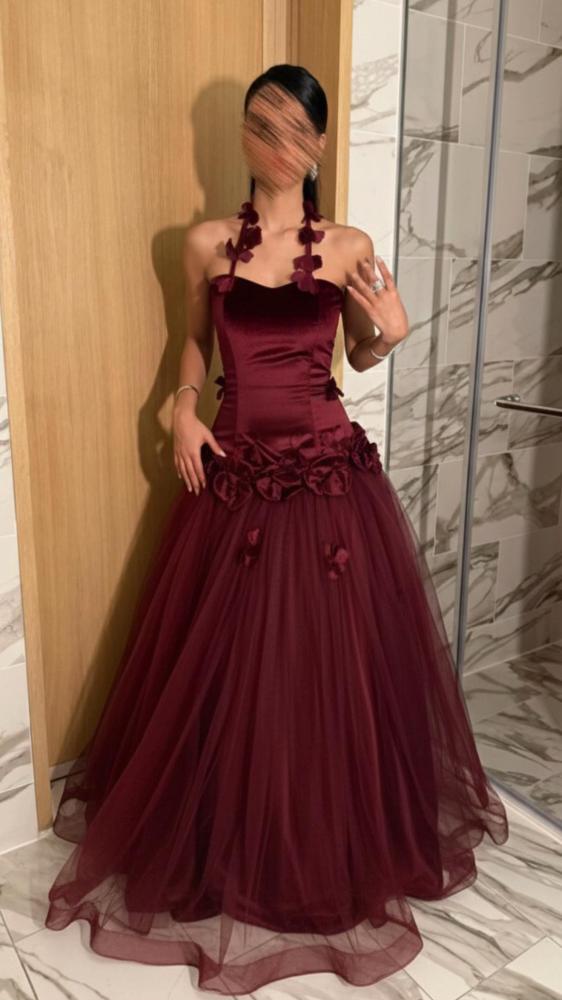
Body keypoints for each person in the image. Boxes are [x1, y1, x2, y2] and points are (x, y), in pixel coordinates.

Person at [45, 64, 509, 995]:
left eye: (295, 127)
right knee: (226, 670)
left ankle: (320, 842)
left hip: (329, 475)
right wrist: (182, 407)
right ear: (242, 136)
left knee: (324, 669)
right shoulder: (202, 243)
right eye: (261, 124)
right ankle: (226, 842)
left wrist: (389, 334)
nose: (277, 142)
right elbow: (191, 342)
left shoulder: (350, 245)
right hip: (234, 471)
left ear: (320, 143)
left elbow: (358, 357)